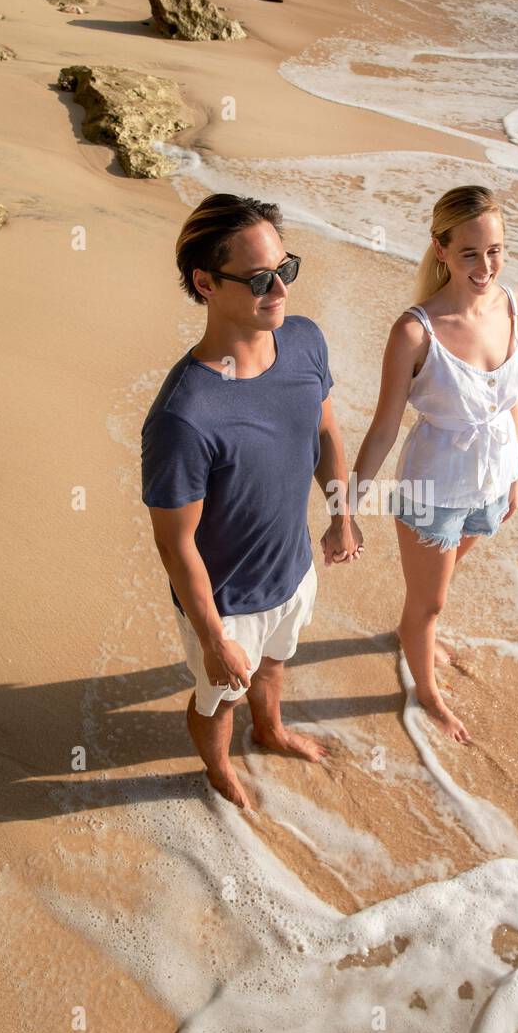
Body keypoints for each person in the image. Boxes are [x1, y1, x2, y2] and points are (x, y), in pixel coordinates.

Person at [141, 194, 362, 811]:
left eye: (285, 269)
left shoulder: (305, 343)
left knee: (274, 665)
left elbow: (324, 432)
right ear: (205, 282)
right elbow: (174, 541)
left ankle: (271, 731)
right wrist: (213, 638)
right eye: (261, 279)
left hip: (292, 571)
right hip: (226, 602)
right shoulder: (184, 416)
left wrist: (341, 513)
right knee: (218, 700)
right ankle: (217, 771)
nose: (280, 290)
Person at [350, 185, 518, 744]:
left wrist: (516, 474)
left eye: (494, 250)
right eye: (470, 252)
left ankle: (414, 630)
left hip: (494, 477)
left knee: (442, 580)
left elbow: (510, 397)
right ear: (441, 249)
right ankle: (425, 689)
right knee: (432, 601)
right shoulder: (414, 332)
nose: (485, 265)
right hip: (433, 488)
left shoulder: (514, 306)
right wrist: (345, 507)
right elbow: (383, 428)